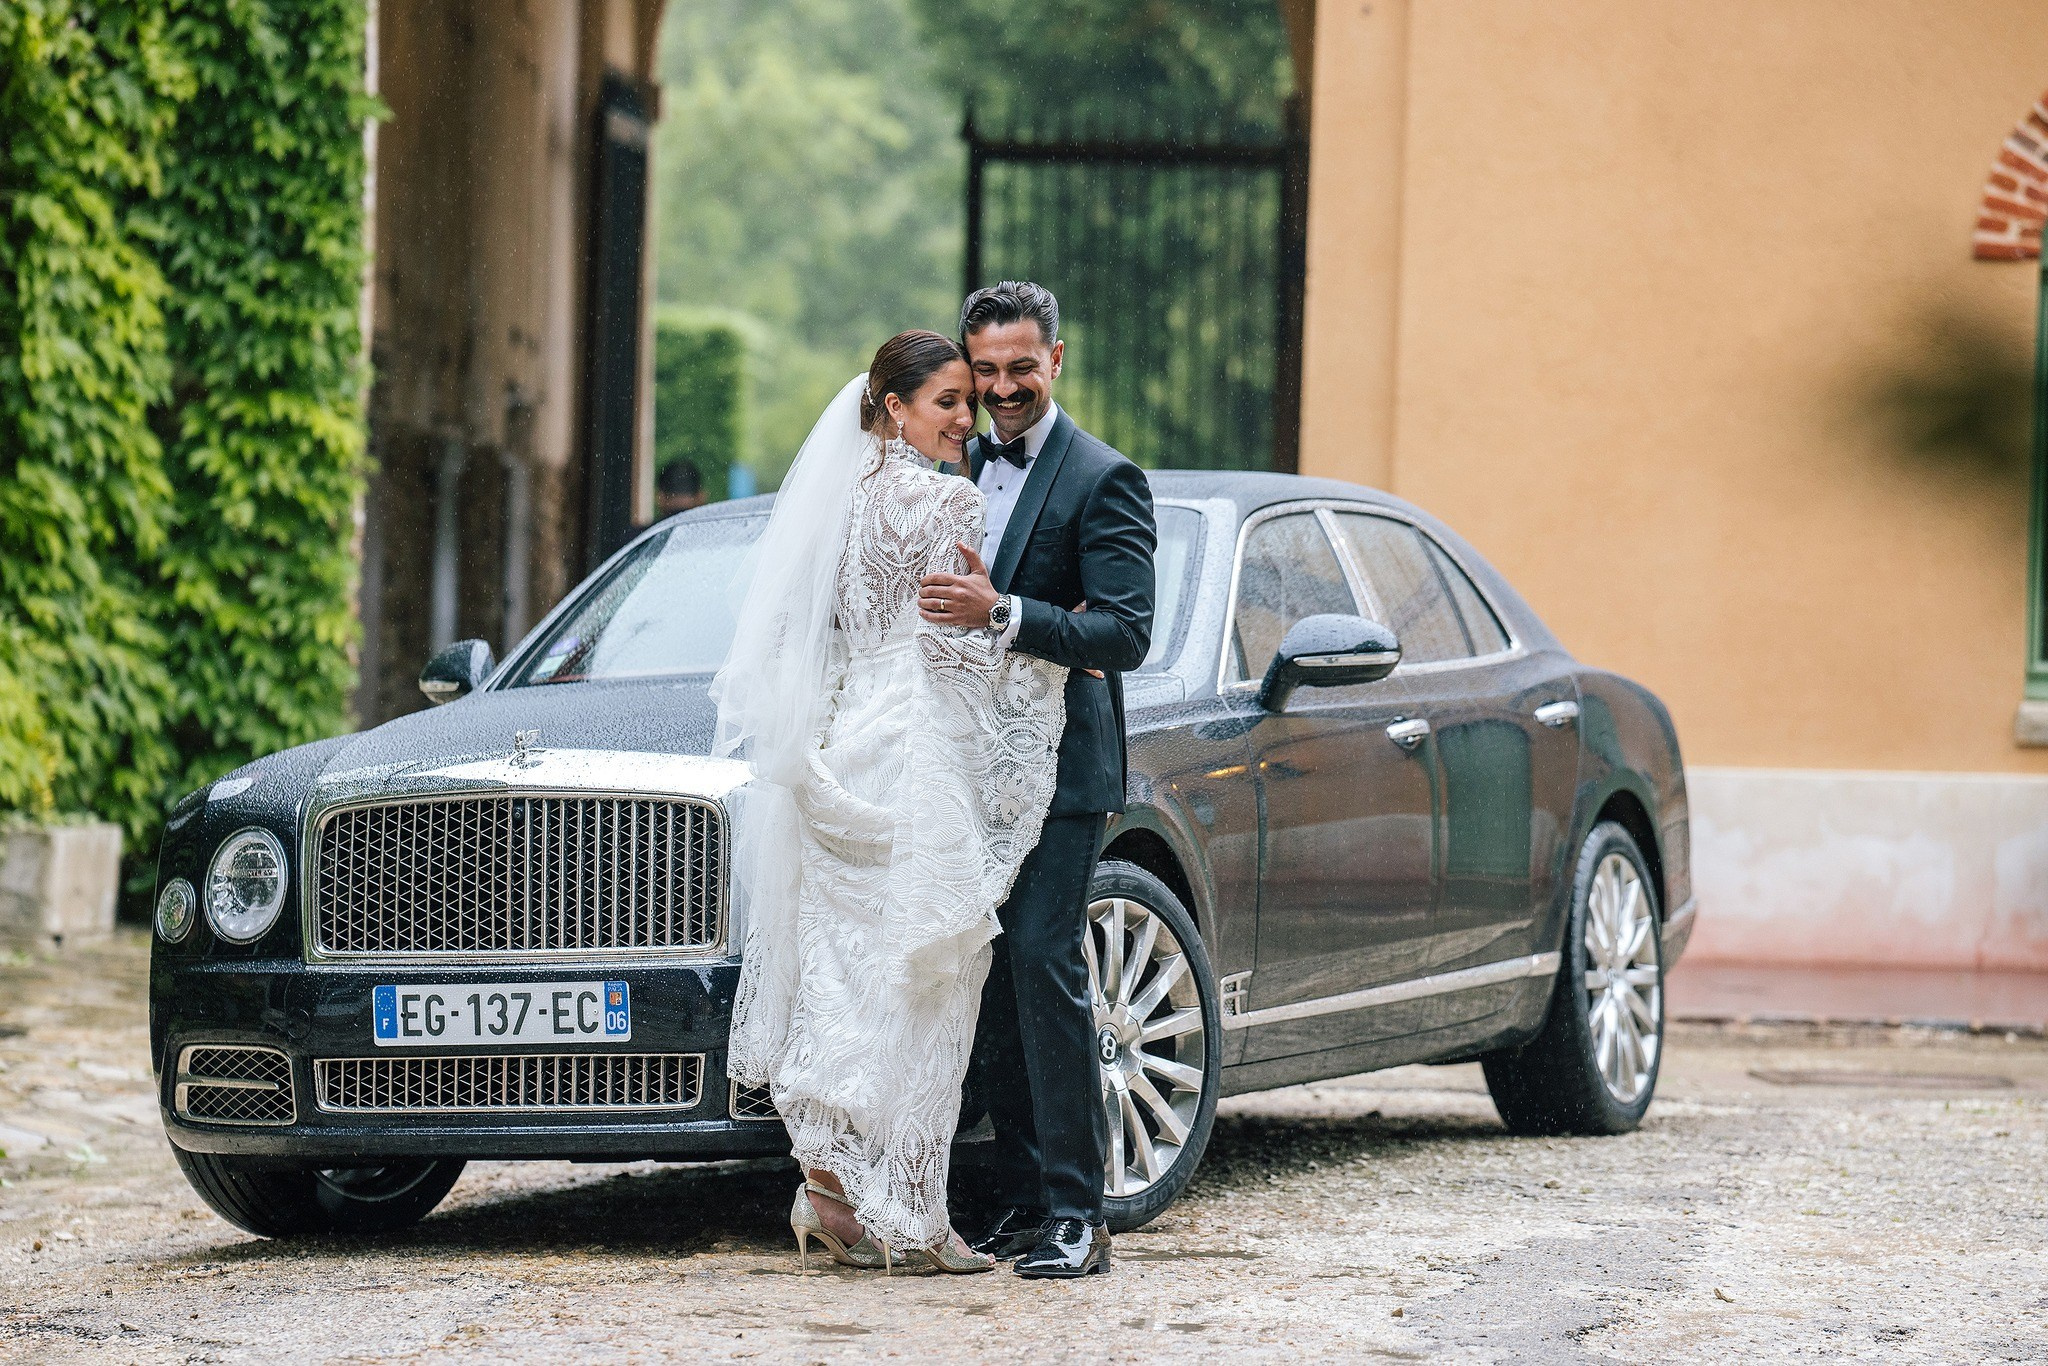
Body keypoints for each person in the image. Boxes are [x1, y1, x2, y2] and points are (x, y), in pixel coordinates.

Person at [710, 331, 1069, 1274]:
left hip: (837, 751)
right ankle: (915, 1213)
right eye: (947, 401)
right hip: (915, 748)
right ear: (894, 407)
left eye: (967, 400)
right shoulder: (948, 498)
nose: (966, 418)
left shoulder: (838, 501)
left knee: (837, 968)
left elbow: (806, 634)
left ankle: (827, 1193)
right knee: (927, 981)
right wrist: (1029, 656)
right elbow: (956, 643)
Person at [917, 281, 1158, 1279]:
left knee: (1044, 964)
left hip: (1062, 768)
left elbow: (1124, 630)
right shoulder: (948, 461)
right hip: (962, 768)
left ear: (1056, 360)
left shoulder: (1104, 477)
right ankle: (1015, 1198)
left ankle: (1076, 1211)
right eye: (987, 372)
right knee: (987, 972)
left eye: (1023, 368)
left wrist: (1005, 613)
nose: (1005, 387)